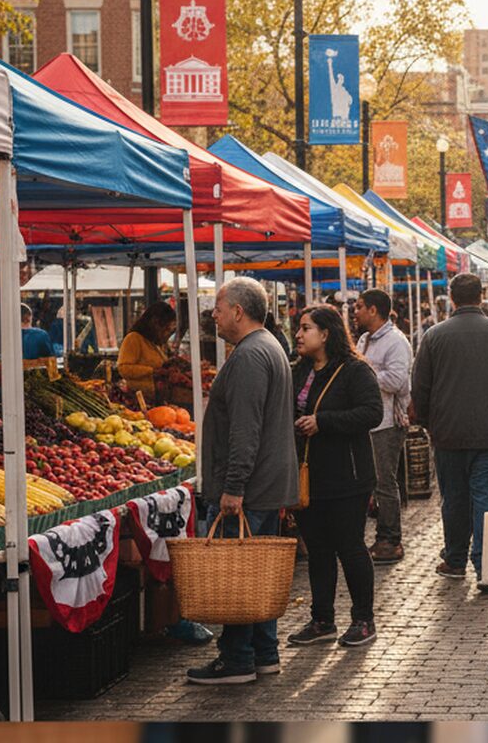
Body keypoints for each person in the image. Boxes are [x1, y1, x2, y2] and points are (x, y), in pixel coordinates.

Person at [188, 277, 298, 685]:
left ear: (238, 311)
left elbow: (245, 431)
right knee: (258, 572)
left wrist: (233, 487)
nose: (213, 314)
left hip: (250, 487)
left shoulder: (251, 356)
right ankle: (263, 653)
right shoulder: (265, 347)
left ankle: (236, 658)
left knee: (238, 574)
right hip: (265, 482)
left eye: (218, 307)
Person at [412, 273, 488, 590]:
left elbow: (420, 386)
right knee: (487, 498)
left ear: (452, 298)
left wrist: (428, 422)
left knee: (454, 499)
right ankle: (486, 567)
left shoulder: (434, 336)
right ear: (481, 295)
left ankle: (457, 558)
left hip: (448, 433)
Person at [286, 305, 384, 648]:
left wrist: (323, 422)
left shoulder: (354, 371)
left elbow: (372, 413)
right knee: (319, 549)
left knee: (350, 546)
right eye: (298, 328)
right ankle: (322, 620)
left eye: (305, 328)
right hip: (309, 475)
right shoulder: (298, 371)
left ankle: (363, 619)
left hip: (348, 476)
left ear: (326, 334)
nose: (298, 334)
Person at [353, 288, 412, 566]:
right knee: (371, 481)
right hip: (366, 422)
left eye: (359, 307)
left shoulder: (395, 341)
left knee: (384, 482)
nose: (355, 311)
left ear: (373, 310)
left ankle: (390, 538)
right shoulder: (364, 339)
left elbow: (397, 381)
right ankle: (379, 535)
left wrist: (364, 373)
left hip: (387, 422)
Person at [118, 302, 176, 397]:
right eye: (166, 329)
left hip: (158, 396)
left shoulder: (157, 342)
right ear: (155, 323)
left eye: (169, 330)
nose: (167, 334)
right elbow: (123, 368)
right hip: (139, 398)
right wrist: (152, 371)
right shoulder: (134, 338)